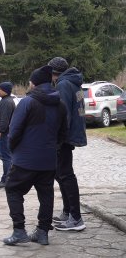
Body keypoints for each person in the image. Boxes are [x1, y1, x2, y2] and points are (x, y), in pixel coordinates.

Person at [2, 66, 67, 246]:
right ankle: (43, 232)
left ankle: (19, 230)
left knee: (13, 189)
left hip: (25, 159)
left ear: (34, 83)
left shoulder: (27, 102)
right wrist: (51, 148)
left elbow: (14, 132)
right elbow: (63, 133)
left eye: (30, 81)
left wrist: (14, 150)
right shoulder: (60, 104)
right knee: (46, 195)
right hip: (48, 160)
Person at [48, 57, 88, 231]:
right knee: (61, 174)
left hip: (64, 138)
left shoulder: (64, 84)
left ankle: (76, 218)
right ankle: (67, 212)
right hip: (69, 135)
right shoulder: (73, 82)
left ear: (53, 71)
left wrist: (58, 139)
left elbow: (63, 114)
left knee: (65, 175)